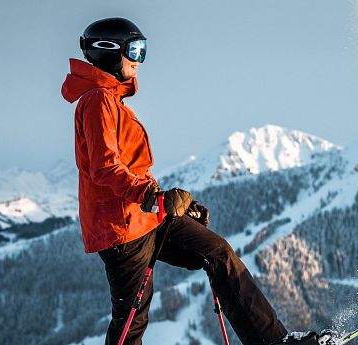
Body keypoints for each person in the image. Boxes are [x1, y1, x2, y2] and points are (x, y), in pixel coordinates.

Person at [61, 18, 334, 345]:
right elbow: (105, 167)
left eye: (142, 50)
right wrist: (152, 196)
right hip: (122, 227)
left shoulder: (109, 102)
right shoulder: (97, 101)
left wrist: (172, 205)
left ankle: (273, 341)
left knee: (218, 254)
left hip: (145, 218)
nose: (138, 59)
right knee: (133, 316)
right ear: (107, 52)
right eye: (134, 50)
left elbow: (132, 168)